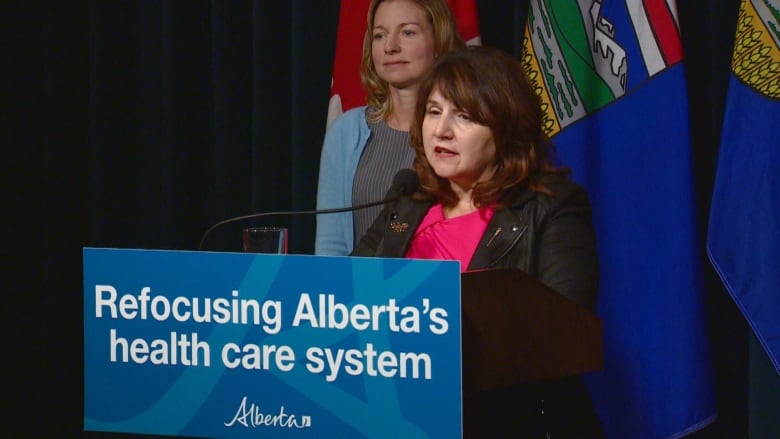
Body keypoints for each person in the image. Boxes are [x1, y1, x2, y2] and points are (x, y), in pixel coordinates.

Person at [351, 45, 604, 438]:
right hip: (396, 416)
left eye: (464, 116)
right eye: (434, 112)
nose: (442, 130)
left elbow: (564, 335)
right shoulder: (408, 201)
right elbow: (342, 299)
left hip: (506, 421)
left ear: (506, 129)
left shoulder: (553, 207)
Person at [315, 0, 465, 256]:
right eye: (379, 35)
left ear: (438, 42)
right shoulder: (346, 131)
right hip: (359, 293)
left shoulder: (463, 131)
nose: (390, 46)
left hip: (438, 290)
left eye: (407, 32)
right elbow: (331, 247)